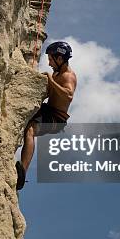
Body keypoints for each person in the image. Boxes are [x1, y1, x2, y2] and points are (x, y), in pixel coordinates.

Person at [16, 41, 77, 190]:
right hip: (47, 110)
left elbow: (68, 95)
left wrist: (50, 80)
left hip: (57, 118)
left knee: (30, 129)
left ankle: (23, 171)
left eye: (51, 59)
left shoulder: (68, 76)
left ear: (60, 59)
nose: (49, 63)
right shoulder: (56, 73)